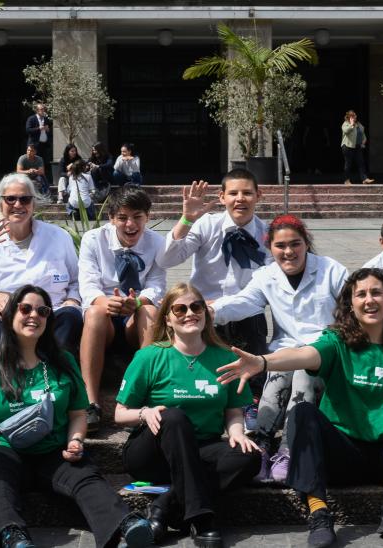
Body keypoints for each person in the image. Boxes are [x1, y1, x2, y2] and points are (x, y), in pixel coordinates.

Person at [216, 268, 383, 544]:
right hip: (343, 454)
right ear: (351, 305)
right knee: (303, 412)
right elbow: (301, 354)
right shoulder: (337, 342)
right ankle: (319, 512)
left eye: (376, 292)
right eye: (361, 294)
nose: (370, 300)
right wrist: (262, 361)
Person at [0, 285, 153, 548]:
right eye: (25, 308)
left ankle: (124, 524)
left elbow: (77, 414)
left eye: (43, 310)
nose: (34, 316)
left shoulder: (63, 362)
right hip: (2, 451)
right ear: (10, 315)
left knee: (85, 474)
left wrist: (76, 441)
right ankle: (11, 536)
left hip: (52, 451)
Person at [115, 283, 260, 547]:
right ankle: (201, 517)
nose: (189, 313)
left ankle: (163, 507)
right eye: (179, 308)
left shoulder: (225, 357)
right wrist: (145, 413)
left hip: (202, 448)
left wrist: (237, 432)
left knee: (249, 456)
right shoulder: (149, 356)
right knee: (174, 417)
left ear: (206, 314)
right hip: (152, 452)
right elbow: (119, 414)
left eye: (196, 306)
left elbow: (234, 412)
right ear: (168, 319)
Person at [211, 214, 348, 483]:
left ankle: (288, 447)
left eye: (295, 244)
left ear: (306, 243)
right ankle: (261, 443)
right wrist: (210, 311)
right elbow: (243, 303)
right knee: (278, 370)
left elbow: (350, 312)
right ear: (270, 248)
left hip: (324, 350)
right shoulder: (266, 275)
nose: (288, 252)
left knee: (302, 373)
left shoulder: (332, 270)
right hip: (286, 349)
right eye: (280, 246)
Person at [154, 171, 271, 427]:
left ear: (258, 195)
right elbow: (166, 260)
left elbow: (264, 288)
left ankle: (251, 401)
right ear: (222, 197)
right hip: (200, 312)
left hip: (244, 311)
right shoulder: (207, 224)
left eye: (247, 193)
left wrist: (221, 308)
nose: (240, 199)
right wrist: (186, 219)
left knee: (251, 321)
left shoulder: (268, 234)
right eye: (233, 193)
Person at [78, 186, 167, 434]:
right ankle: (91, 402)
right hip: (103, 317)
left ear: (147, 217)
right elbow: (88, 286)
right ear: (111, 218)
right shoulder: (93, 239)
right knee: (94, 313)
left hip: (135, 318)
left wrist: (137, 303)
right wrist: (108, 303)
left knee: (150, 312)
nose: (130, 224)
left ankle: (141, 398)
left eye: (137, 217)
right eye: (123, 218)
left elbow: (157, 285)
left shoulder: (157, 242)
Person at [0, 173, 83, 358]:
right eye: (10, 199)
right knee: (4, 319)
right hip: (8, 318)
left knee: (71, 316)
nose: (18, 205)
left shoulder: (59, 237)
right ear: (0, 204)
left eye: (25, 199)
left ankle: (55, 379)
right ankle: (11, 384)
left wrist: (73, 300)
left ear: (34, 204)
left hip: (52, 316)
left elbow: (77, 281)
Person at [340, 110, 374, 185]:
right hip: (347, 146)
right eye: (352, 116)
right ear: (348, 117)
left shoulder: (358, 124)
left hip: (357, 146)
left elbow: (362, 133)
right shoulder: (345, 124)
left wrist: (364, 140)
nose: (354, 117)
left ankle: (364, 179)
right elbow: (345, 131)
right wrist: (351, 124)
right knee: (348, 163)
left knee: (361, 162)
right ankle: (346, 180)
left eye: (355, 116)